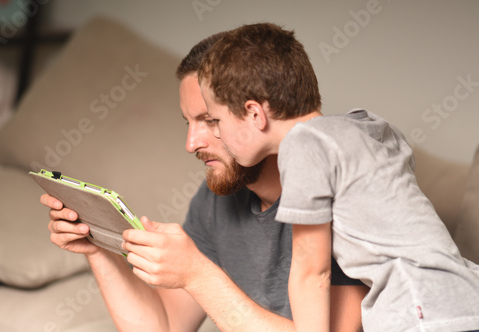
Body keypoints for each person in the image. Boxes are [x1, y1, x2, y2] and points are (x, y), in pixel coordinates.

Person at [41, 31, 368, 331]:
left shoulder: (342, 191)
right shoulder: (218, 197)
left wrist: (197, 274)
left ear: (255, 115)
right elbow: (164, 326)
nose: (191, 143)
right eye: (189, 122)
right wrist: (97, 247)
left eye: (210, 120)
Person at [197, 22, 479, 331]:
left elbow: (312, 274)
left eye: (215, 120)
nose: (216, 133)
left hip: (418, 311)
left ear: (254, 114)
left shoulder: (303, 146)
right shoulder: (368, 125)